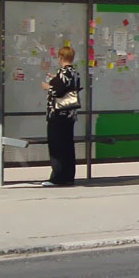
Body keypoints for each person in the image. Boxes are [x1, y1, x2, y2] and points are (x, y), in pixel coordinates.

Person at [41, 46, 81, 186]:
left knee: (57, 147)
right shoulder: (75, 73)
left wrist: (48, 86)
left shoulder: (64, 71)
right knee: (68, 146)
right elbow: (68, 86)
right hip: (70, 115)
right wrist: (55, 78)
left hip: (58, 115)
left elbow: (58, 91)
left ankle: (57, 177)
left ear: (61, 57)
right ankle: (68, 176)